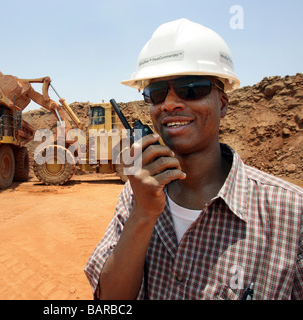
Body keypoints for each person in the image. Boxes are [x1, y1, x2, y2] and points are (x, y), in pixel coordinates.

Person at [84, 18, 303, 300]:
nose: (170, 103)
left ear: (222, 104)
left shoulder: (292, 216)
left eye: (192, 89)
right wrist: (143, 213)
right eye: (157, 93)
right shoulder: (135, 196)